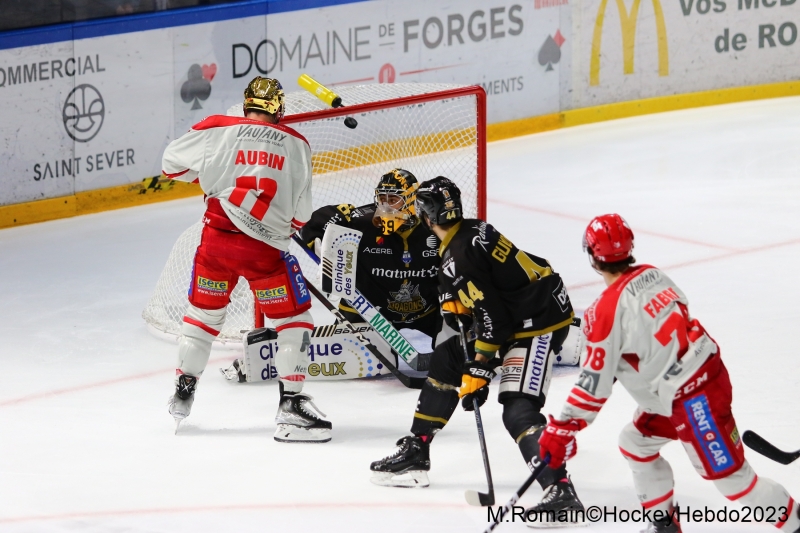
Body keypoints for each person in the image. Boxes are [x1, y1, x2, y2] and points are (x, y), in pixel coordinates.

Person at [537, 214, 800, 532]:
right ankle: (664, 526)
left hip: (693, 399)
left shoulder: (604, 313)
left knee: (735, 483)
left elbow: (594, 385)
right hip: (696, 378)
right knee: (636, 442)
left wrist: (563, 428)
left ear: (592, 256)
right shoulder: (653, 274)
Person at [370, 177, 585, 526]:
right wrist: (456, 303)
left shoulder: (458, 255)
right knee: (447, 358)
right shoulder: (471, 230)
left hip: (537, 326)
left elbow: (494, 322)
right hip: (522, 315)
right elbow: (488, 287)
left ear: (425, 216)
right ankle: (417, 449)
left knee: (518, 410)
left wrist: (480, 367)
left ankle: (561, 491)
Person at [161, 76, 332, 443]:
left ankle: (183, 391)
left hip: (215, 245)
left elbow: (170, 164)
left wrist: (212, 175)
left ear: (246, 104)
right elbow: (301, 215)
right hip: (265, 253)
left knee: (203, 317)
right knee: (293, 321)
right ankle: (291, 404)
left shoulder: (216, 127)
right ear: (279, 109)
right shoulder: (297, 143)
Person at [297, 169, 442, 370]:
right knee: (346, 361)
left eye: (393, 200)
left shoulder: (433, 227)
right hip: (370, 313)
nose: (385, 206)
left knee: (458, 350)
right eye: (382, 199)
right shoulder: (360, 223)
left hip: (428, 313)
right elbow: (311, 225)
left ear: (411, 201)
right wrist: (324, 244)